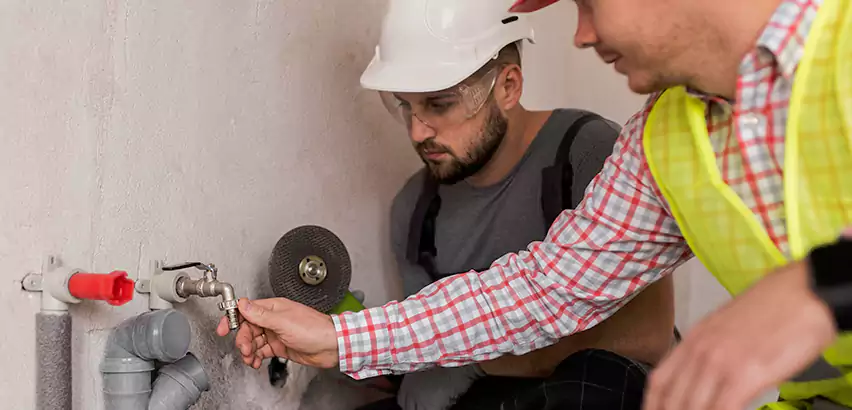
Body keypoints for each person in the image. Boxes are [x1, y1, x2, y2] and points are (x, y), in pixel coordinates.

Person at [217, 0, 852, 409]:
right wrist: (338, 336)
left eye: (588, 2)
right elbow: (545, 290)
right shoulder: (664, 141)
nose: (581, 34)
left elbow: (638, 338)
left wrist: (820, 288)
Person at [351, 2, 676, 409]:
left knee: (590, 383)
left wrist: (478, 364)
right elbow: (431, 347)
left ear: (507, 86)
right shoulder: (416, 211)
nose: (418, 131)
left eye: (439, 104)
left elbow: (647, 335)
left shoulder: (587, 153)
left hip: (597, 392)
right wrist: (355, 350)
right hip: (495, 397)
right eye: (405, 105)